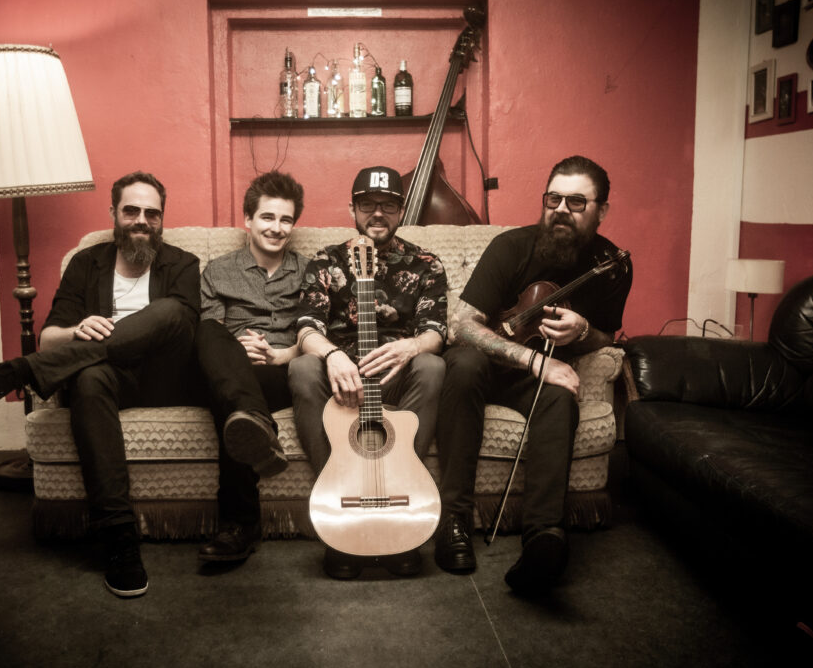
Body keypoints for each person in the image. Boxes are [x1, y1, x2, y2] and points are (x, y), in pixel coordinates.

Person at [0, 171, 200, 599]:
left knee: (172, 311)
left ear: (162, 219)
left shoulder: (182, 263)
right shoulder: (86, 263)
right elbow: (50, 338)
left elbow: (184, 330)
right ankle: (120, 539)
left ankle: (14, 373)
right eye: (131, 211)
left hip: (163, 378)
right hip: (107, 378)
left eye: (152, 213)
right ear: (113, 214)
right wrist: (77, 330)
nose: (142, 221)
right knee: (88, 378)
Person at [433, 155, 632, 594]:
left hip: (537, 378)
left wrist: (583, 331)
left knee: (560, 397)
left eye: (576, 202)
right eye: (553, 198)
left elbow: (607, 334)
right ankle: (454, 522)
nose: (561, 209)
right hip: (489, 364)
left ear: (601, 210)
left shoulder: (612, 265)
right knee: (463, 365)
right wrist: (535, 360)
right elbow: (463, 326)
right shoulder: (511, 247)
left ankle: (544, 537)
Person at [289, 165, 447, 580]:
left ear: (401, 210)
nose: (377, 213)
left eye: (388, 205)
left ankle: (403, 493)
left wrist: (412, 346)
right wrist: (331, 356)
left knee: (432, 366)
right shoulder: (326, 260)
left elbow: (435, 331)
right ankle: (339, 505)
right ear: (352, 209)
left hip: (396, 373)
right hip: (342, 380)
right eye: (367, 204)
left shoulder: (426, 264)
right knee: (302, 368)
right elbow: (306, 327)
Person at [194, 171, 308, 564]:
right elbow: (210, 337)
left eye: (286, 220)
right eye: (267, 217)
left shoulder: (310, 271)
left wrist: (282, 353)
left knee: (231, 401)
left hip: (283, 370)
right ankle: (255, 423)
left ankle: (239, 525)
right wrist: (237, 349)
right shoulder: (218, 270)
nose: (277, 228)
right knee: (208, 334)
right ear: (248, 219)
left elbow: (320, 331)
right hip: (234, 366)